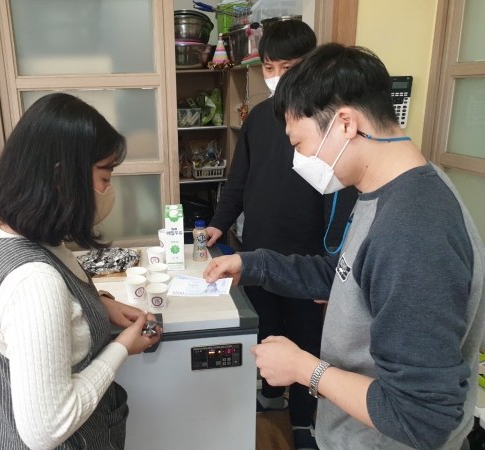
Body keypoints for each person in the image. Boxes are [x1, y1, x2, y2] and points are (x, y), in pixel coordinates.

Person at [204, 43, 485, 450]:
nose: (298, 160)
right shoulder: (388, 190)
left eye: (298, 144)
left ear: (345, 123)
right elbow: (347, 273)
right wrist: (252, 265)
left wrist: (305, 369)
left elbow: (421, 417)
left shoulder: (415, 228)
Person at [0, 92, 162, 450]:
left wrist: (99, 304)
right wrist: (122, 348)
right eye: (105, 175)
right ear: (62, 177)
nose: (108, 189)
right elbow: (47, 428)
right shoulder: (34, 281)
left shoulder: (0, 230)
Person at [205, 20, 356, 449]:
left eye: (287, 67)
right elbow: (238, 181)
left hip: (309, 257)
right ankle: (272, 395)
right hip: (256, 251)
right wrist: (219, 221)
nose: (276, 76)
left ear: (312, 64)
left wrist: (334, 263)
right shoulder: (258, 118)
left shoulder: (328, 122)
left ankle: (304, 421)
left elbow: (339, 201)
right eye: (269, 67)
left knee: (306, 341)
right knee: (264, 329)